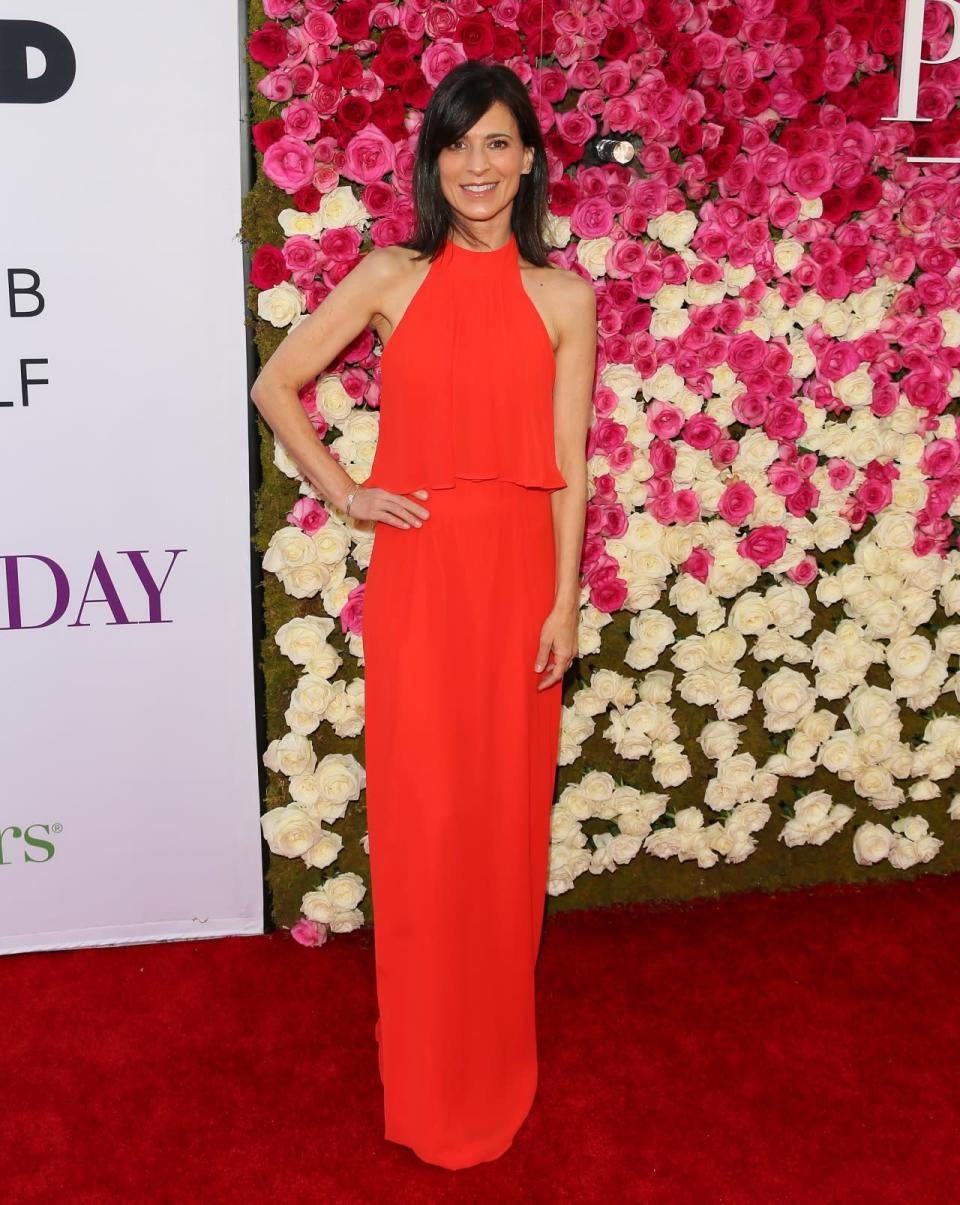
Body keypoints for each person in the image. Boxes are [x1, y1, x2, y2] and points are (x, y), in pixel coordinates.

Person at [251, 59, 597, 1169]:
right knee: (423, 824)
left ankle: (493, 1064)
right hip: (420, 575)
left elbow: (573, 466)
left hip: (515, 594)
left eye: (498, 143)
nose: (478, 164)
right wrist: (345, 490)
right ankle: (426, 1072)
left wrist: (563, 602)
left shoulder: (565, 298)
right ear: (434, 161)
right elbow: (275, 383)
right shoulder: (392, 275)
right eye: (458, 144)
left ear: (530, 158)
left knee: (500, 830)